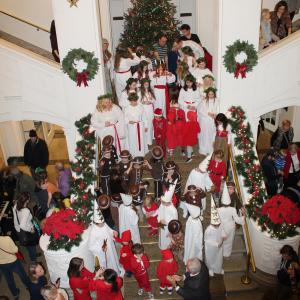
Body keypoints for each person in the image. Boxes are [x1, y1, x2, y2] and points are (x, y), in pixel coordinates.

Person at [88, 200, 123, 275]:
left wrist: (113, 232)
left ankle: (116, 270)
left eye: (103, 223)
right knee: (108, 263)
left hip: (110, 247)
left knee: (113, 259)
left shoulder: (103, 224)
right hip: (103, 252)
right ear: (96, 223)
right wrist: (101, 248)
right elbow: (91, 246)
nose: (103, 224)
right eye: (101, 224)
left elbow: (108, 230)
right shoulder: (93, 231)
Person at [218, 183, 245, 257]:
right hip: (225, 221)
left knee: (229, 240)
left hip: (231, 216)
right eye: (231, 189)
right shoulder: (222, 198)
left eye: (233, 189)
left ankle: (226, 253)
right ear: (228, 189)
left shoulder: (234, 195)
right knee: (223, 239)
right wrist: (243, 219)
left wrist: (241, 207)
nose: (233, 190)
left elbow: (238, 201)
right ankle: (221, 251)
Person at [178, 74, 201, 163]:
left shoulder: (197, 89)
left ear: (193, 82)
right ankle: (187, 148)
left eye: (190, 82)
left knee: (192, 130)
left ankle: (190, 148)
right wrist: (187, 106)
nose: (189, 84)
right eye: (187, 82)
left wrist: (194, 106)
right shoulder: (183, 90)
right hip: (186, 109)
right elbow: (180, 100)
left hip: (193, 109)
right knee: (186, 130)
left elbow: (199, 99)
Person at [0, 233, 30, 299]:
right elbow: (15, 250)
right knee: (22, 274)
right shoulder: (7, 239)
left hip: (2, 264)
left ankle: (15, 294)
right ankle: (29, 286)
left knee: (9, 279)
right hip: (13, 261)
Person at [12, 192, 39, 261]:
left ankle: (32, 254)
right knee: (32, 246)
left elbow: (16, 220)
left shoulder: (15, 206)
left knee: (27, 244)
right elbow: (22, 225)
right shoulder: (26, 211)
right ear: (27, 200)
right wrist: (31, 230)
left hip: (18, 230)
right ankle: (34, 260)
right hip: (27, 231)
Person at [204, 199, 226, 276]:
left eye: (218, 225)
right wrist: (216, 244)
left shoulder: (220, 225)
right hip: (211, 247)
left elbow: (222, 230)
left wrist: (223, 235)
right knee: (211, 258)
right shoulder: (208, 230)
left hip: (219, 244)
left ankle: (218, 268)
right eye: (215, 225)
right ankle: (210, 268)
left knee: (219, 257)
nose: (217, 226)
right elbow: (206, 240)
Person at [124, 93, 149, 157]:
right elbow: (124, 117)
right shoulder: (127, 108)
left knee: (141, 138)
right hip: (131, 126)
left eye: (135, 101)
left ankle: (141, 153)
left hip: (140, 125)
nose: (134, 102)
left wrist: (146, 126)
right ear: (129, 101)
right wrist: (129, 121)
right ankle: (134, 153)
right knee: (133, 139)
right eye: (132, 101)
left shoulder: (140, 107)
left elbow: (144, 116)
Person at [198, 87, 220, 155]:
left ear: (214, 94)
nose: (210, 96)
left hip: (212, 121)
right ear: (207, 94)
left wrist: (215, 115)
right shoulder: (204, 101)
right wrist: (208, 114)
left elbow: (218, 109)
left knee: (212, 134)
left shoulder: (217, 101)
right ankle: (203, 149)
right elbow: (200, 110)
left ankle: (211, 149)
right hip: (205, 121)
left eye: (212, 94)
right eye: (209, 94)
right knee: (204, 135)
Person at [158, 179, 178, 250]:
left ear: (168, 202)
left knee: (167, 239)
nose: (162, 203)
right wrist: (160, 221)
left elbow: (175, 222)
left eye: (163, 202)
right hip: (162, 224)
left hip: (169, 228)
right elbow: (159, 212)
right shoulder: (162, 205)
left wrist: (171, 231)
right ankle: (162, 246)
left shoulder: (173, 210)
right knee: (162, 236)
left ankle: (167, 248)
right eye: (162, 201)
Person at [140, 78, 155, 146]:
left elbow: (154, 100)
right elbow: (138, 102)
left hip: (150, 109)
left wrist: (151, 100)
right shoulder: (140, 92)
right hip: (144, 108)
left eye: (147, 84)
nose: (146, 85)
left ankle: (150, 138)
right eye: (145, 84)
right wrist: (142, 102)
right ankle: (146, 140)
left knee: (150, 123)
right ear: (143, 84)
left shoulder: (150, 91)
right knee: (146, 123)